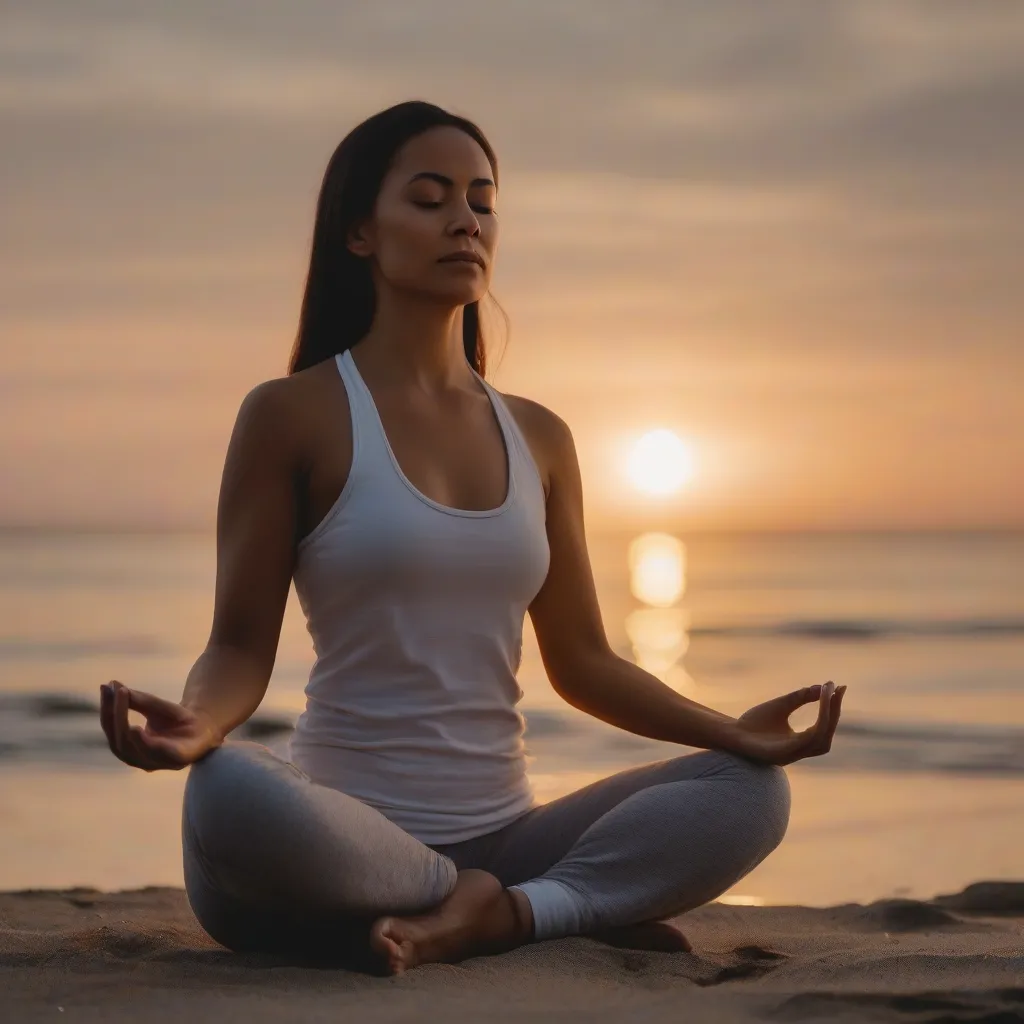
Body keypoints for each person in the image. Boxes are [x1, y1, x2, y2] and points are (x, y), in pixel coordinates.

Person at [98, 100, 847, 976]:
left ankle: (497, 912)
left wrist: (734, 733)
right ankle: (523, 911)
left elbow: (585, 663)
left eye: (483, 201)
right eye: (429, 198)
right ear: (359, 234)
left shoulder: (541, 436)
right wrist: (195, 727)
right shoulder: (291, 414)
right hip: (334, 839)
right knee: (227, 791)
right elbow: (236, 646)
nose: (466, 220)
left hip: (509, 836)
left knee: (748, 793)